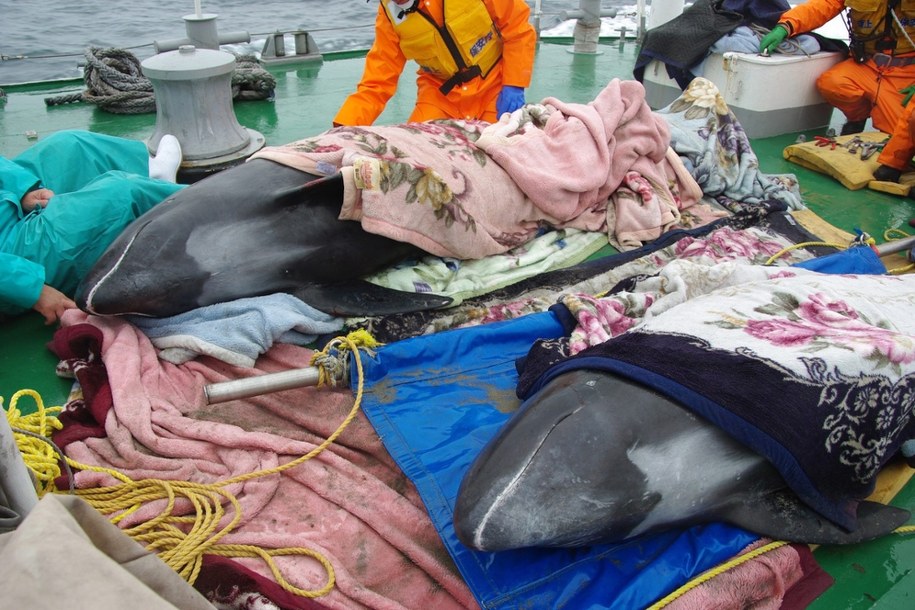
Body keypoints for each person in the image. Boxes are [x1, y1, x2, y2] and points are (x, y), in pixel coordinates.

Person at [1, 130, 184, 324]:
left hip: (6, 208)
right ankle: (195, 202)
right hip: (14, 256)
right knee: (120, 193)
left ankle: (156, 178)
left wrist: (24, 190)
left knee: (68, 146)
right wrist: (33, 288)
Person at [759, 0, 915, 182]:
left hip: (907, 74)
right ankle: (856, 120)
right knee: (832, 83)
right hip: (867, 65)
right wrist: (787, 26)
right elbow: (822, 5)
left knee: (904, 134)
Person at [333, 0, 537, 126]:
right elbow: (377, 82)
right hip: (440, 95)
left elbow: (518, 28)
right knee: (416, 156)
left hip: (495, 85)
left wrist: (514, 85)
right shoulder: (388, 17)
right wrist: (344, 127)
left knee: (502, 152)